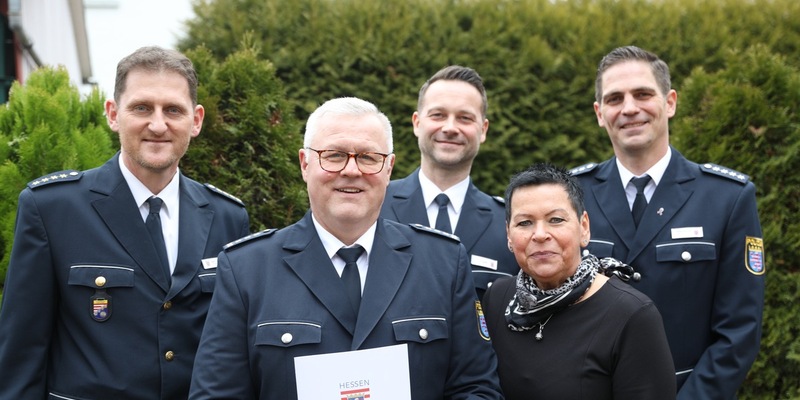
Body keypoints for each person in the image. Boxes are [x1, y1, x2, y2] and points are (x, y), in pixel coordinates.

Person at [189, 97, 503, 400]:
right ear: (304, 164)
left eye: (368, 157)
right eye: (334, 155)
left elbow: (476, 388)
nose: (352, 170)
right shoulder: (246, 269)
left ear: (389, 168)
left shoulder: (444, 263)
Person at [0, 46, 250, 399]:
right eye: (142, 107)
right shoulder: (52, 209)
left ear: (195, 121)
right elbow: (21, 352)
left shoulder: (229, 217)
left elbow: (231, 352)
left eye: (173, 110)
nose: (158, 124)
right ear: (113, 114)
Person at [571, 45, 765, 399]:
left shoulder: (727, 198)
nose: (629, 108)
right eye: (615, 99)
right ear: (600, 113)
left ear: (670, 102)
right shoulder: (570, 196)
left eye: (643, 94)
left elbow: (739, 331)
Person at [482, 162, 676, 399]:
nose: (540, 234)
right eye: (525, 223)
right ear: (509, 236)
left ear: (584, 227)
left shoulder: (631, 314)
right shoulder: (498, 300)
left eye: (555, 220)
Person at [380, 65, 518, 300]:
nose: (450, 128)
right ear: (417, 123)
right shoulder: (375, 206)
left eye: (465, 118)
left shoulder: (508, 224)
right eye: (438, 115)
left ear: (483, 130)